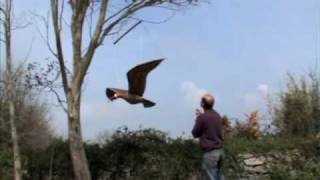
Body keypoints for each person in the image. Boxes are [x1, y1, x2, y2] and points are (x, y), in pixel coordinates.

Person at [192, 94, 224, 180]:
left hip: (210, 153)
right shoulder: (217, 116)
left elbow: (195, 133)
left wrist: (198, 119)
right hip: (220, 151)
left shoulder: (202, 117)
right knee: (219, 177)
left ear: (202, 104)